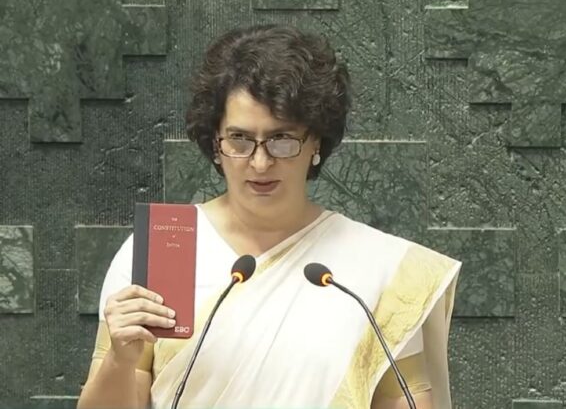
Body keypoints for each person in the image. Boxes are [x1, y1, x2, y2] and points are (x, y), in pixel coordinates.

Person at [77, 24, 461, 409]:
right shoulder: (163, 249)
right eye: (240, 139)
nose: (260, 163)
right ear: (215, 144)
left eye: (281, 139)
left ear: (316, 142)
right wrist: (119, 360)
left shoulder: (381, 270)